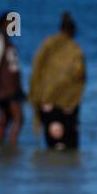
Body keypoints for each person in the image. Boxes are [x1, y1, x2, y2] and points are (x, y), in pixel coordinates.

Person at [29, 12, 87, 149]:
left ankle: (51, 169)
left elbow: (36, 70)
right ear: (73, 31)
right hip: (69, 102)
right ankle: (67, 170)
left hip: (46, 100)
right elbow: (80, 74)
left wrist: (35, 96)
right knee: (70, 142)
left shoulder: (47, 45)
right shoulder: (75, 50)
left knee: (53, 142)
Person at [0, 13, 24, 146]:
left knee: (4, 119)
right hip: (7, 87)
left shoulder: (4, 39)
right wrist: (0, 87)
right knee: (18, 119)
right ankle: (11, 148)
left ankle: (0, 148)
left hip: (9, 86)